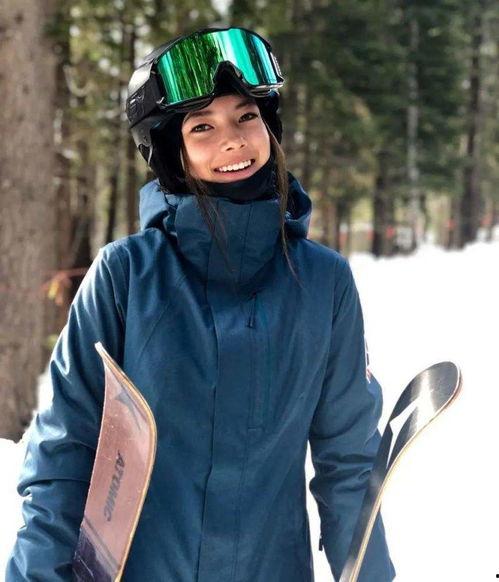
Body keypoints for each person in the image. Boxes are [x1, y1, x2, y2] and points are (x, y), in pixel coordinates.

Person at [6, 26, 396, 581]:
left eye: (246, 117)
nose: (233, 141)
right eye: (203, 127)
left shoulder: (323, 283)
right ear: (174, 152)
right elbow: (65, 458)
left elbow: (349, 464)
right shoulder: (126, 276)